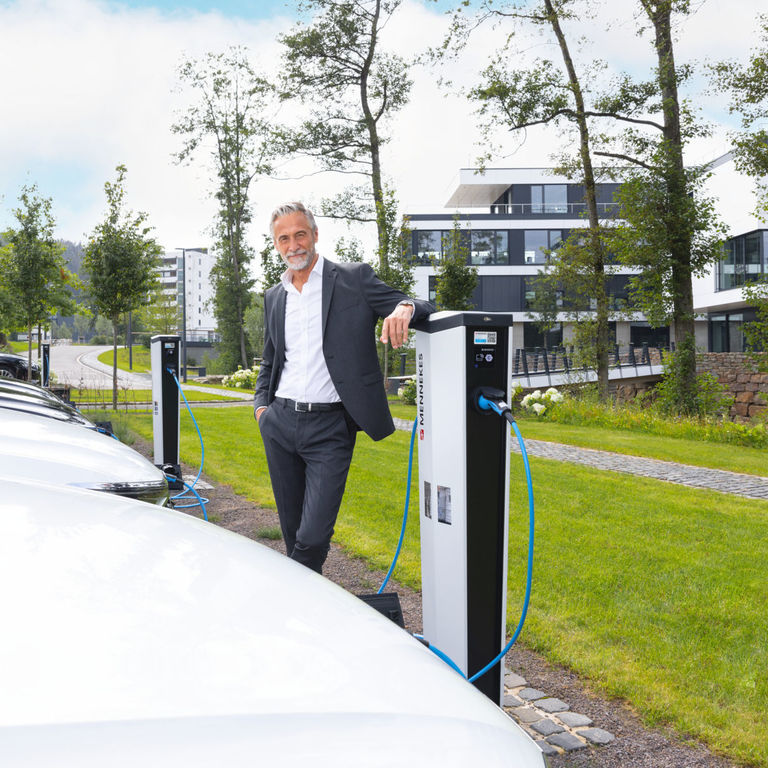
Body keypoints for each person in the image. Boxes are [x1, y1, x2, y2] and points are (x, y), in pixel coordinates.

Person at [254, 202, 433, 574]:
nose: (294, 245)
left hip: (330, 428)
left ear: (315, 235)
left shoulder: (353, 279)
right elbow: (270, 359)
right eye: (283, 238)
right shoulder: (275, 296)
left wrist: (403, 308)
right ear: (276, 245)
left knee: (314, 536)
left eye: (300, 234)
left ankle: (296, 595)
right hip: (280, 423)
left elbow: (424, 306)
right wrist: (261, 409)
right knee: (292, 532)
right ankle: (308, 610)